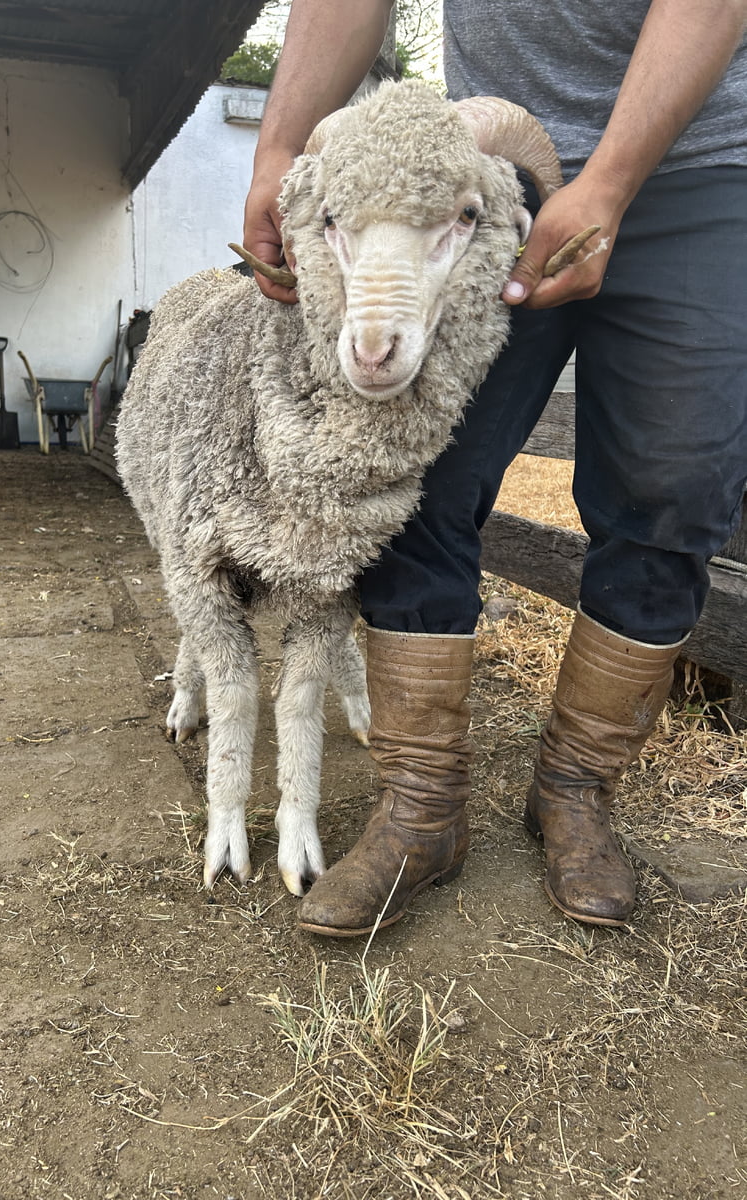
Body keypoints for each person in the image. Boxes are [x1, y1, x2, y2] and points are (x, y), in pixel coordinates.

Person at [242, 0, 747, 936]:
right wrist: (279, 153)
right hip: (485, 169)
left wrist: (611, 179)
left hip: (701, 169)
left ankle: (575, 790)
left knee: (676, 485)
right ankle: (423, 806)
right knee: (412, 461)